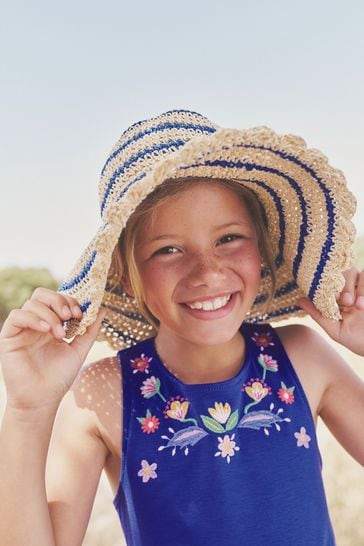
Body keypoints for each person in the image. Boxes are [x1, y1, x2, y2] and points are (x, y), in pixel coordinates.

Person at [0, 109, 363, 546]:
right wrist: (27, 410)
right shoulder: (100, 397)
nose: (207, 272)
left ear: (262, 247)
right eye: (168, 249)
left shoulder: (303, 356)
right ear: (123, 273)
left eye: (229, 238)